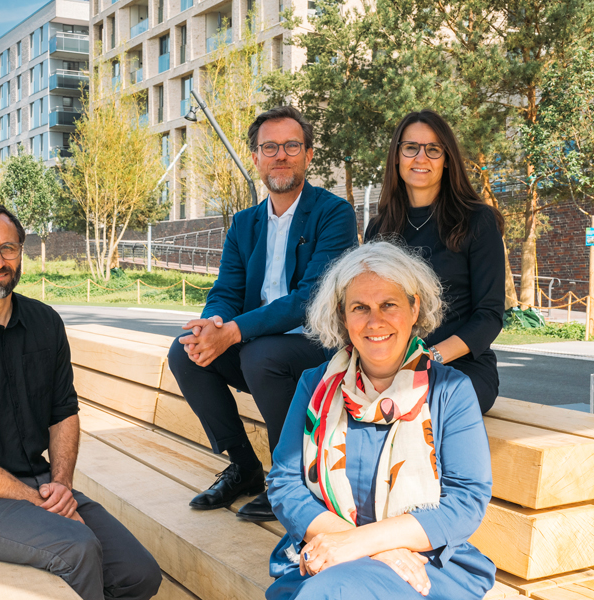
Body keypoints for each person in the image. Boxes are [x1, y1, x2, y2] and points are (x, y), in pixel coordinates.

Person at [0, 202, 161, 600]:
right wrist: (39, 501)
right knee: (76, 549)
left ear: (21, 252)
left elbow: (63, 413)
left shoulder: (44, 322)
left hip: (38, 482)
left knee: (138, 573)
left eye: (8, 247)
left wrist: (60, 484)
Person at [266, 242, 494, 600]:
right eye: (360, 307)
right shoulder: (315, 385)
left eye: (389, 304)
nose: (375, 321)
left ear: (414, 306)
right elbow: (285, 483)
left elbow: (465, 502)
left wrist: (359, 543)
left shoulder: (450, 391)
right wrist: (370, 549)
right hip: (328, 553)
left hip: (424, 564)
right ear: (342, 315)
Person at [167, 106, 358, 522]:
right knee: (184, 352)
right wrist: (213, 325)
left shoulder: (334, 213)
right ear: (256, 157)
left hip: (318, 350)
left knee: (261, 354)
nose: (280, 155)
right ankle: (245, 467)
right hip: (259, 343)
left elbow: (311, 298)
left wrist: (234, 332)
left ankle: (289, 476)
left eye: (292, 146)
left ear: (308, 155)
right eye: (269, 147)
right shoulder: (244, 223)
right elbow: (227, 290)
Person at [365, 110, 506, 414]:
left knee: (408, 408)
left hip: (460, 368)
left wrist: (429, 359)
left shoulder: (477, 221)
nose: (421, 158)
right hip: (391, 367)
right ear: (397, 157)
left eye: (433, 149)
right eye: (411, 148)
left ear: (446, 159)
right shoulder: (379, 229)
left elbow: (490, 316)